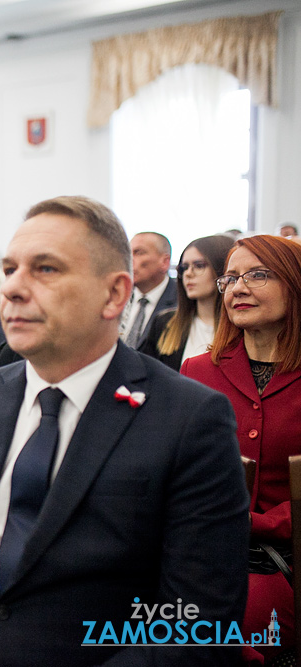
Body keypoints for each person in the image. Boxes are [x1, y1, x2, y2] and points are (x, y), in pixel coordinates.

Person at [0, 195, 249, 666]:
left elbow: (199, 619)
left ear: (114, 295)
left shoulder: (188, 418)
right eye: (9, 269)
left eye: (46, 269)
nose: (12, 289)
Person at [181, 234, 301, 665]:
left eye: (258, 275)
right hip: (204, 554)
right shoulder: (197, 371)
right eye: (229, 278)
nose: (238, 288)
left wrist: (254, 524)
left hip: (284, 557)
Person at [140, 234, 235, 371]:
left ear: (222, 270)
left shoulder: (241, 327)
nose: (188, 274)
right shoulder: (165, 323)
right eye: (184, 267)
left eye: (199, 265)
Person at [121, 231, 176, 348]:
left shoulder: (181, 303)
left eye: (138, 253)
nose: (129, 260)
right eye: (127, 253)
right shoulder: (118, 297)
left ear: (164, 262)